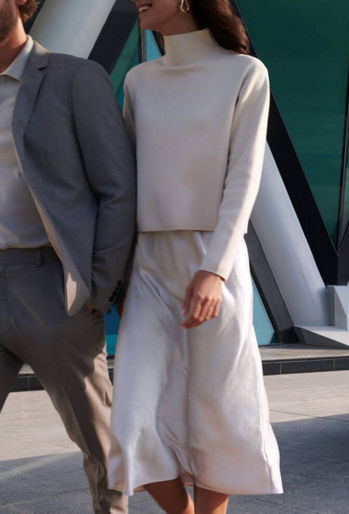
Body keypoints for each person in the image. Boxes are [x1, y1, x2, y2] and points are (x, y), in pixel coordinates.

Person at [108, 0, 282, 512]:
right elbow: (125, 182)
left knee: (220, 412)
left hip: (214, 260)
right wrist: (119, 270)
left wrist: (214, 269)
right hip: (148, 264)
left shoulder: (246, 73)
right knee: (130, 419)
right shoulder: (139, 80)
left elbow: (244, 179)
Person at [0, 0, 137, 512]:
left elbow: (117, 190)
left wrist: (98, 287)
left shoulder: (74, 79)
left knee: (98, 442)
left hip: (51, 286)